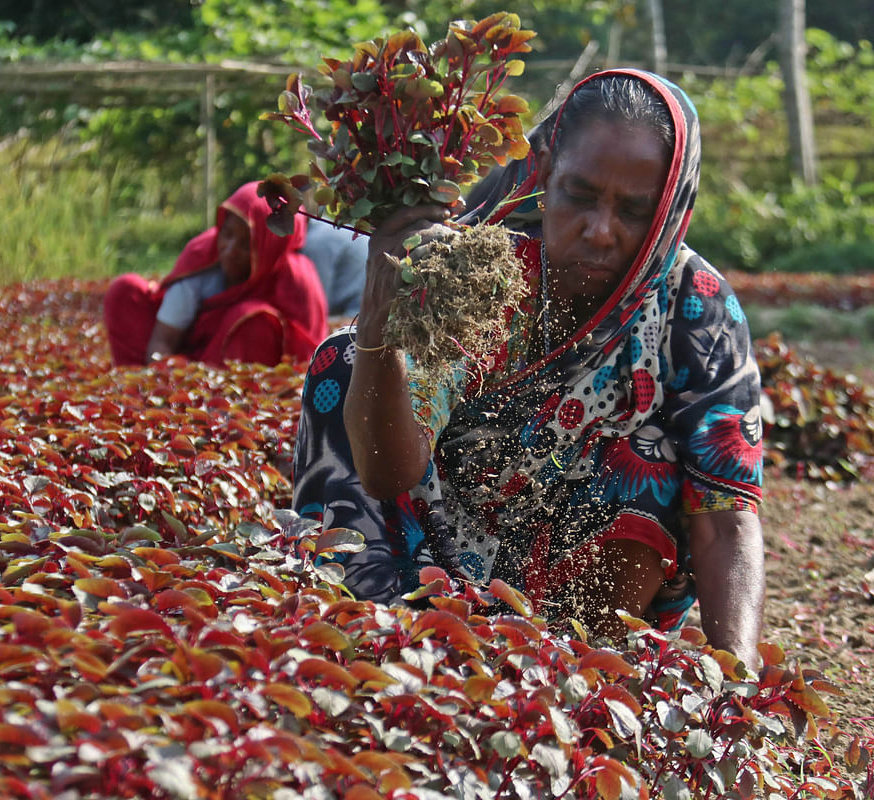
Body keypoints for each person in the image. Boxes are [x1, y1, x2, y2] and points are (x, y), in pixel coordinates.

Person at [292, 69, 766, 667]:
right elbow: (391, 472)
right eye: (581, 195)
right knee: (346, 360)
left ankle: (582, 666)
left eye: (634, 211)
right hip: (430, 559)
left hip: (582, 589)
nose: (599, 231)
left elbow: (728, 519)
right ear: (544, 170)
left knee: (653, 458)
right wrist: (382, 320)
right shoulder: (487, 271)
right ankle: (378, 629)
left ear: (672, 208)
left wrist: (740, 689)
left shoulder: (696, 310)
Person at [104, 181, 329, 367]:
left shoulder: (297, 280)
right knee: (125, 292)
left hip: (233, 378)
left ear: (268, 247)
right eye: (227, 234)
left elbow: (307, 360)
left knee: (253, 319)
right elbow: (163, 341)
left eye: (245, 243)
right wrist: (162, 379)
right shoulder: (201, 259)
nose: (229, 250)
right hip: (184, 367)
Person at [301, 216, 369, 318]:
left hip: (352, 320)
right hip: (368, 315)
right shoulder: (325, 229)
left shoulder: (316, 241)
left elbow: (313, 309)